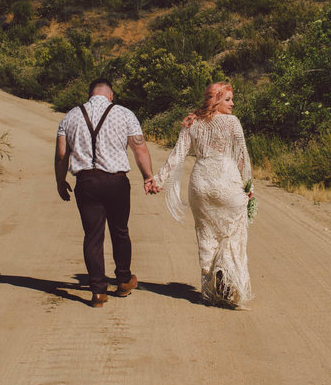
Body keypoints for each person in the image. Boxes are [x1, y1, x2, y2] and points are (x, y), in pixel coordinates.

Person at [55, 78, 158, 308]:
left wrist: (60, 181)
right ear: (110, 96)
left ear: (89, 94)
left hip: (86, 182)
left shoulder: (70, 116)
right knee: (120, 231)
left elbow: (62, 155)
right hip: (116, 181)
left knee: (93, 236)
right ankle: (123, 280)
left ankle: (98, 291)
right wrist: (148, 176)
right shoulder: (124, 114)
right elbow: (139, 147)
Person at [152, 82, 254, 309]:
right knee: (232, 233)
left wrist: (158, 179)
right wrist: (249, 187)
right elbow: (242, 158)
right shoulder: (232, 123)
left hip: (201, 184)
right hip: (227, 182)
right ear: (216, 100)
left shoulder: (192, 121)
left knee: (207, 233)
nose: (232, 103)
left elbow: (177, 154)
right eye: (228, 99)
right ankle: (227, 276)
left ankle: (213, 274)